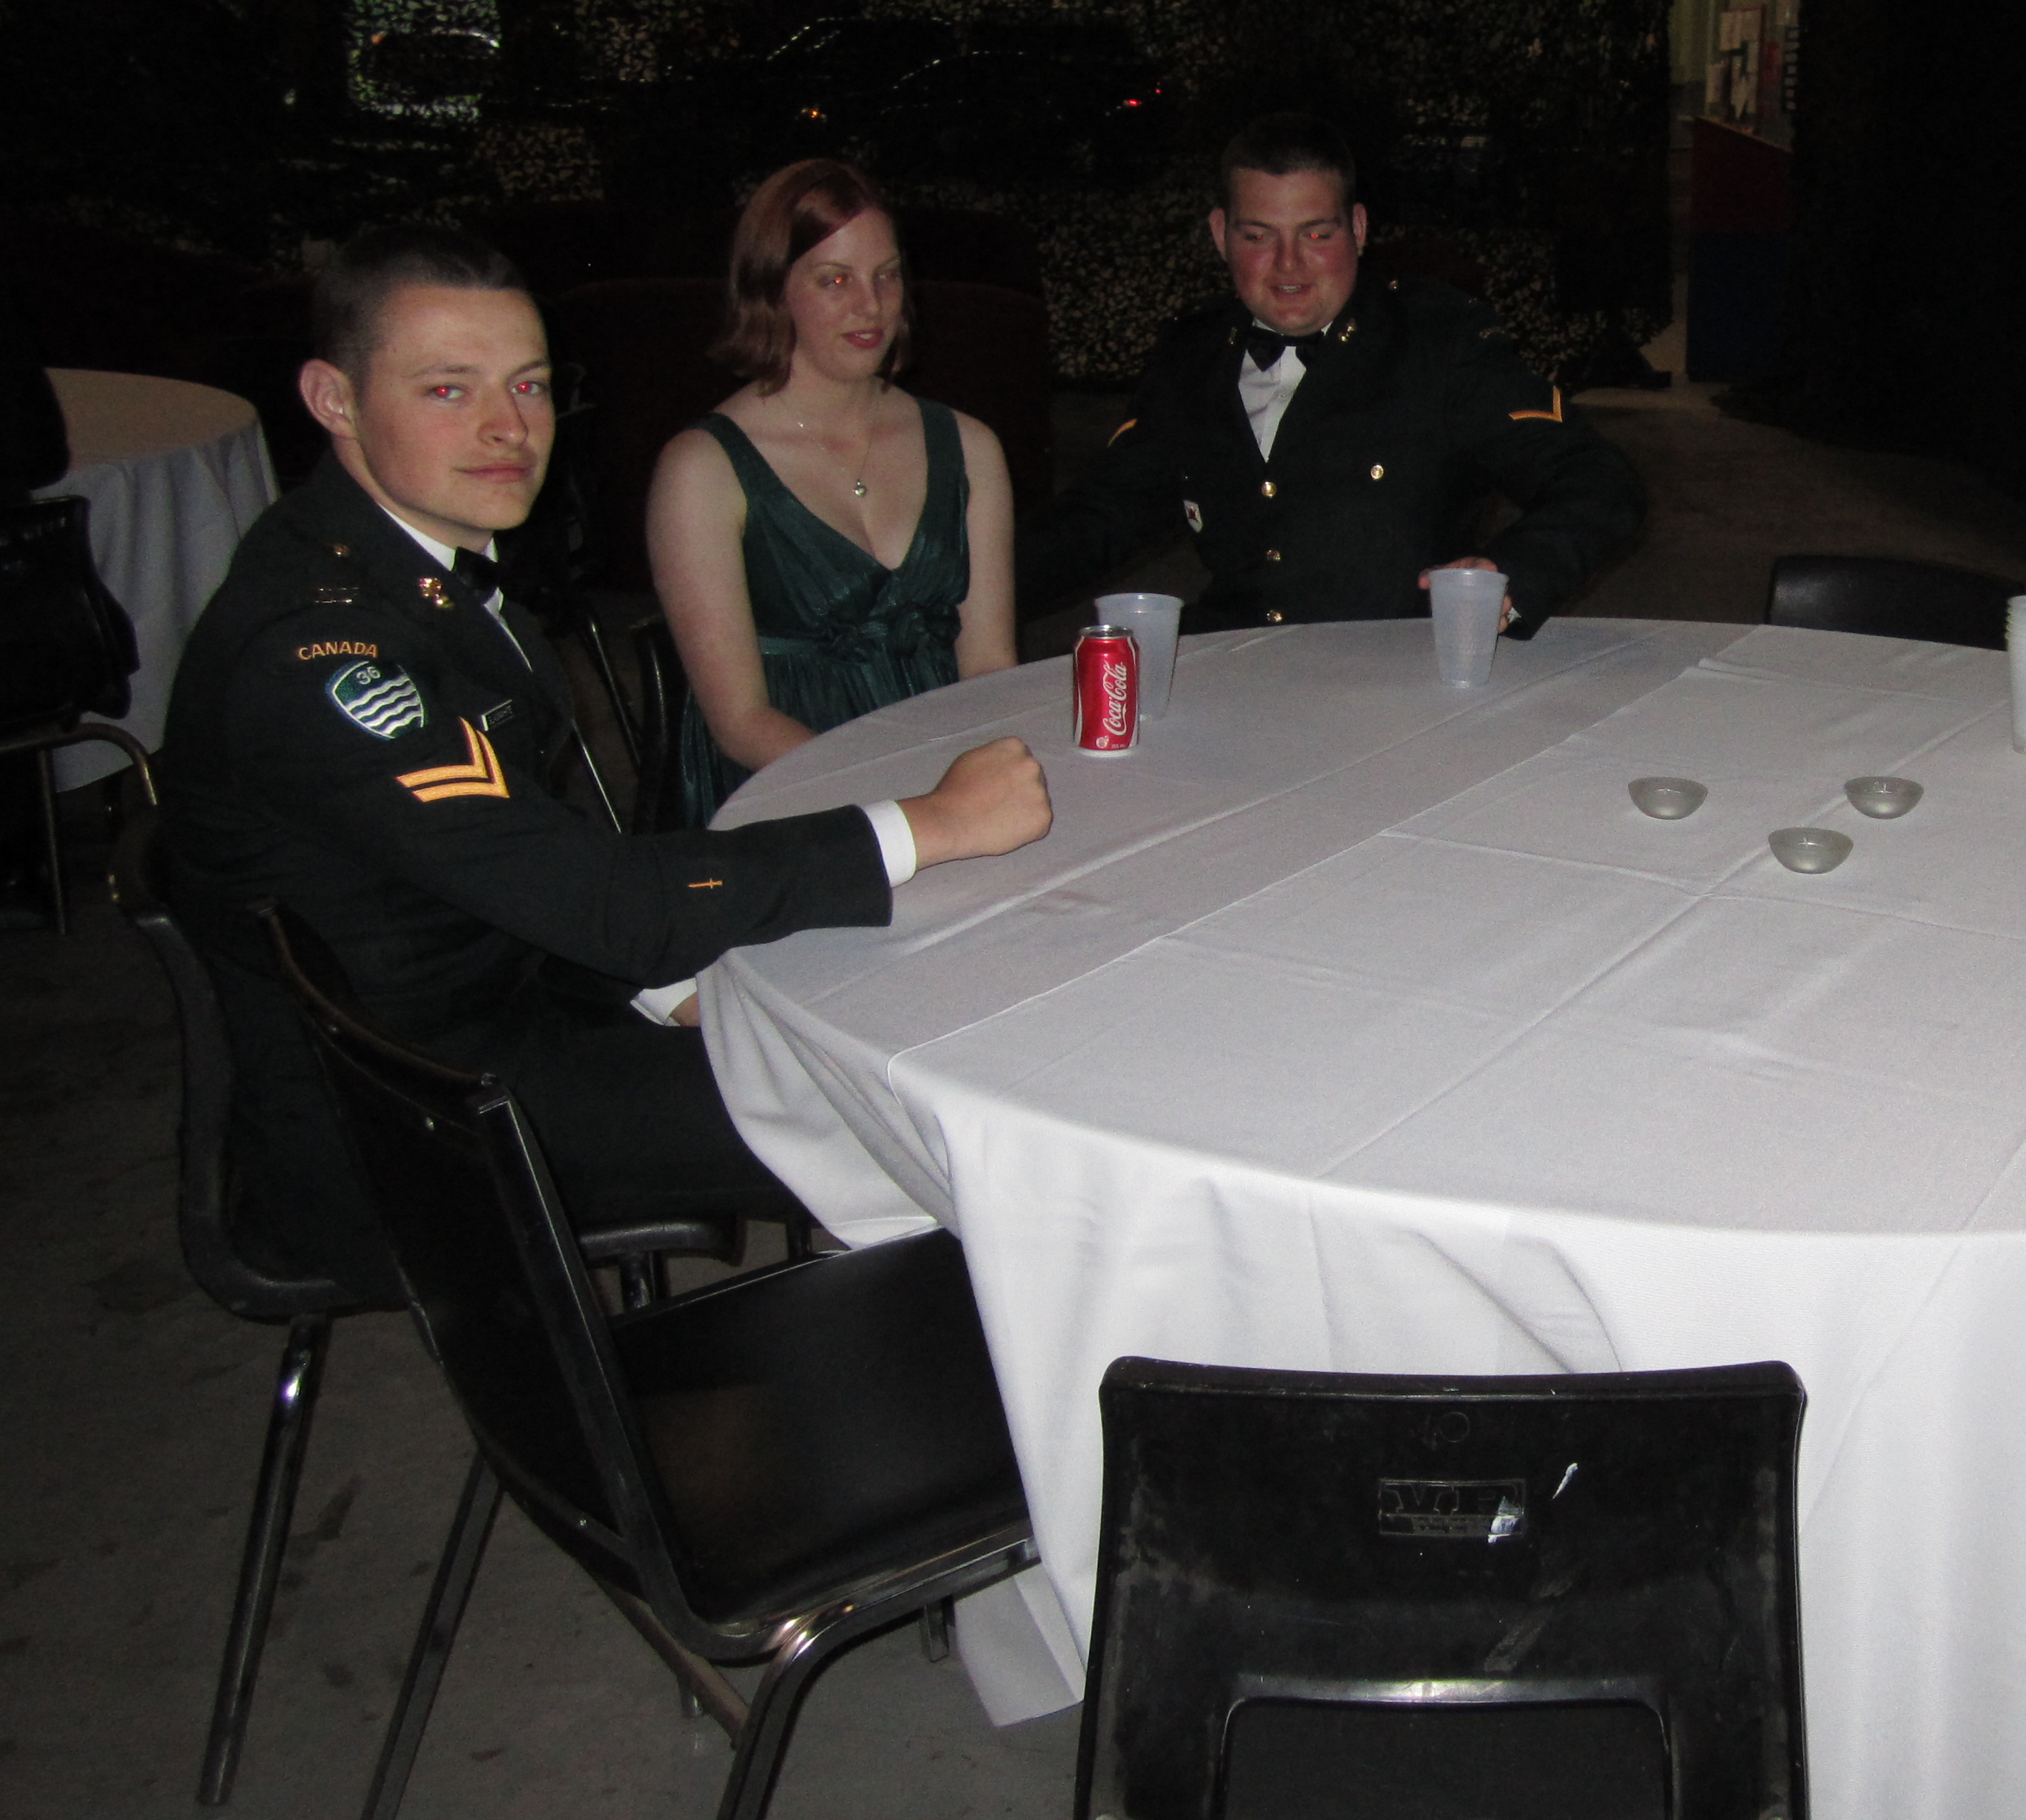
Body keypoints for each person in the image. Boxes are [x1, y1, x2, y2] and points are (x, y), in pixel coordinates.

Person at [157, 226, 1055, 1296]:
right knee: (935, 1113)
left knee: (872, 1003)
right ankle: (940, 1368)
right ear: (332, 399)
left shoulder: (408, 563)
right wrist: (930, 823)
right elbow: (596, 900)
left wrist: (672, 985)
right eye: (447, 390)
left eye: (529, 384)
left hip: (497, 996)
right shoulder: (318, 656)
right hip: (417, 1109)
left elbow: (524, 861)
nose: (508, 427)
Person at [1014, 112, 1645, 635]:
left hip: (1397, 682)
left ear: (1359, 229)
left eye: (1317, 235)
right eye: (1258, 236)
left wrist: (1510, 574)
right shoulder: (1190, 358)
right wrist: (972, 587)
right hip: (1233, 673)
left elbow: (1598, 480)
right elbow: (1098, 521)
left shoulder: (1437, 345)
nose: (1289, 266)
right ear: (1220, 234)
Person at [647, 160, 1016, 824]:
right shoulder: (702, 469)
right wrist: (906, 808)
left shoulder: (970, 446)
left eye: (887, 275)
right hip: (786, 790)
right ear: (772, 289)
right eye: (835, 280)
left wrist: (973, 783)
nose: (871, 306)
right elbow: (740, 722)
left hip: (944, 770)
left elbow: (989, 666)